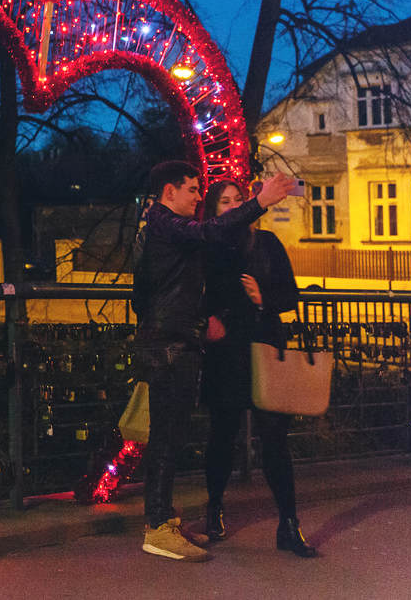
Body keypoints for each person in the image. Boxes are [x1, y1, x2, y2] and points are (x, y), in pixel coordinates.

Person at [132, 160, 294, 562]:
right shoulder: (166, 224)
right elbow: (208, 234)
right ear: (169, 192)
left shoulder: (166, 226)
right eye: (191, 189)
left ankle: (165, 520)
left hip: (181, 340)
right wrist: (259, 201)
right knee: (168, 440)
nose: (196, 197)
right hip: (171, 344)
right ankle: (157, 527)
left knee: (171, 438)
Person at [201, 179, 317, 557]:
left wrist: (262, 298)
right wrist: (210, 318)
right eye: (225, 202)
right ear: (214, 210)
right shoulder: (210, 245)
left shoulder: (267, 243)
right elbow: (195, 292)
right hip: (226, 349)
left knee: (275, 438)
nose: (234, 207)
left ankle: (289, 523)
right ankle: (214, 506)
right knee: (223, 433)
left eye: (239, 200)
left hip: (265, 344)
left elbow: (291, 295)